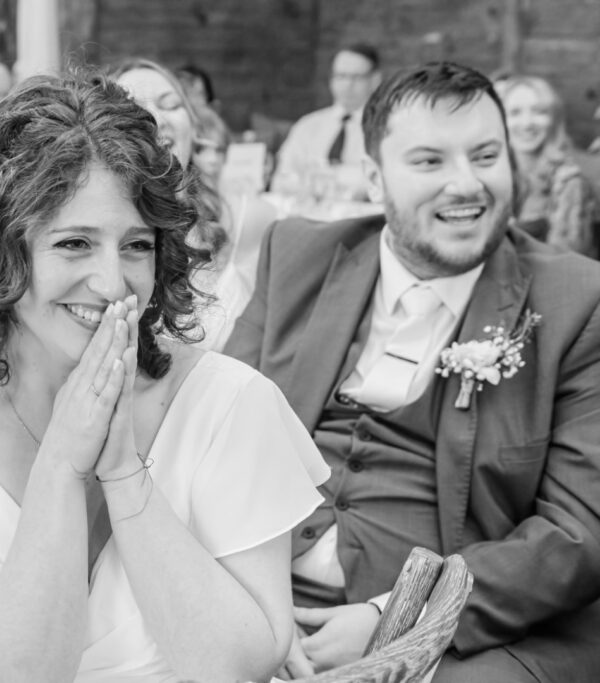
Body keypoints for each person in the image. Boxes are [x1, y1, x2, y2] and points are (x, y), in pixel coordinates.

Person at [0, 72, 329, 682]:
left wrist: (122, 471)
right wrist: (62, 467)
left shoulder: (228, 404)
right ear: (2, 253)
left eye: (136, 246)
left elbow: (238, 666)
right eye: (73, 243)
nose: (113, 283)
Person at [224, 61, 600, 681]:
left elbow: (576, 535)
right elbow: (214, 435)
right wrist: (252, 609)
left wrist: (394, 619)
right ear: (373, 178)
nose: (466, 185)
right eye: (429, 162)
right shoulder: (297, 256)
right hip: (260, 600)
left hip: (451, 638)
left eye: (485, 155)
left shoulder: (575, 303)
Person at [114, 58, 273, 352]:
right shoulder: (89, 238)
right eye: (134, 107)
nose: (156, 119)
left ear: (193, 127)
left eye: (170, 104)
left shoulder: (248, 219)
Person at [495, 75, 596, 258]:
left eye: (539, 112)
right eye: (515, 113)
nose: (527, 124)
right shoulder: (497, 175)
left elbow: (568, 266)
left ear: (554, 120)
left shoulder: (569, 182)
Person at [270, 43, 381, 201]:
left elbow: (380, 181)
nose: (347, 85)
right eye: (341, 76)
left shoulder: (383, 127)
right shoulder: (308, 125)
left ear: (375, 79)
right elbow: (281, 180)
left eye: (356, 77)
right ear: (331, 80)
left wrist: (324, 176)